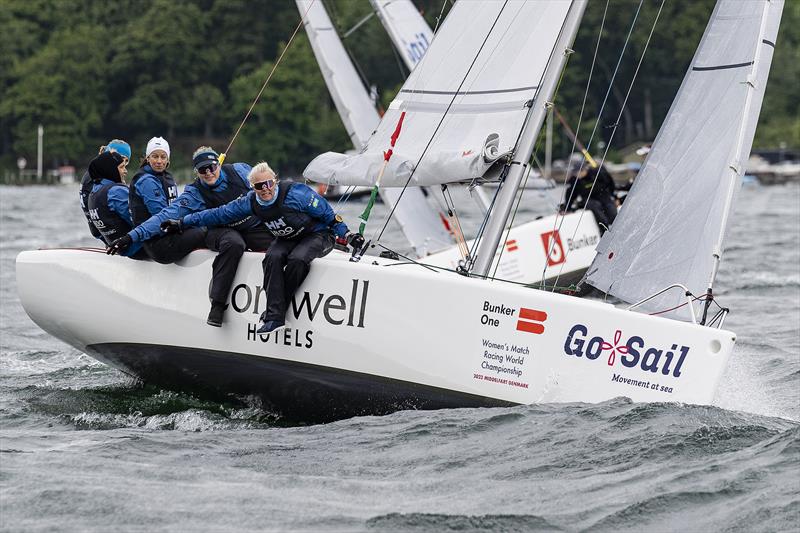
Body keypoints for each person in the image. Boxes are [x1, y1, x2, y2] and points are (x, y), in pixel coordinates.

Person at [161, 162, 364, 334]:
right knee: (272, 258)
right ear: (252, 187)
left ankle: (278, 308)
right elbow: (217, 214)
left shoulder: (297, 194)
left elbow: (329, 215)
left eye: (268, 183)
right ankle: (275, 319)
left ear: (274, 181)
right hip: (287, 237)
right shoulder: (251, 202)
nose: (265, 189)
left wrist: (347, 234)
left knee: (297, 259)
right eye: (259, 186)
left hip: (318, 235)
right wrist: (182, 223)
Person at [109, 147, 273, 327]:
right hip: (221, 231)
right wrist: (131, 237)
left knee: (281, 243)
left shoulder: (240, 171)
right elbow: (164, 216)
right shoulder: (194, 193)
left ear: (218, 163)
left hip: (253, 227)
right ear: (197, 172)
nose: (209, 173)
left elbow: (268, 189)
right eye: (203, 170)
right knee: (233, 244)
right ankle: (217, 306)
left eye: (212, 167)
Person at [108, 137, 207, 263]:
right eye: (155, 156)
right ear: (148, 158)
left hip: (168, 235)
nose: (159, 161)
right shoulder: (146, 181)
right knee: (206, 231)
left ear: (168, 159)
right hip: (158, 244)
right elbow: (162, 218)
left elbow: (177, 209)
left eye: (163, 157)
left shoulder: (166, 177)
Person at [85, 151, 146, 259]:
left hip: (122, 250)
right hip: (139, 248)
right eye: (122, 167)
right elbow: (140, 220)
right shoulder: (115, 191)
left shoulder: (93, 193)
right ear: (110, 169)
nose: (125, 171)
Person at [79, 139, 131, 242]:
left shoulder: (97, 171)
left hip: (103, 229)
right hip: (105, 230)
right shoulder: (96, 178)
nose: (124, 166)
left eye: (126, 161)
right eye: (121, 160)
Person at [561, 160, 618, 232]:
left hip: (603, 196)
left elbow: (610, 183)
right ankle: (604, 230)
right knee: (595, 206)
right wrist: (567, 208)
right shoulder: (574, 180)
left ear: (584, 169)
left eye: (578, 172)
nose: (577, 174)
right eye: (575, 173)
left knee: (612, 213)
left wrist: (615, 197)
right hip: (588, 199)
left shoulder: (597, 173)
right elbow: (570, 195)